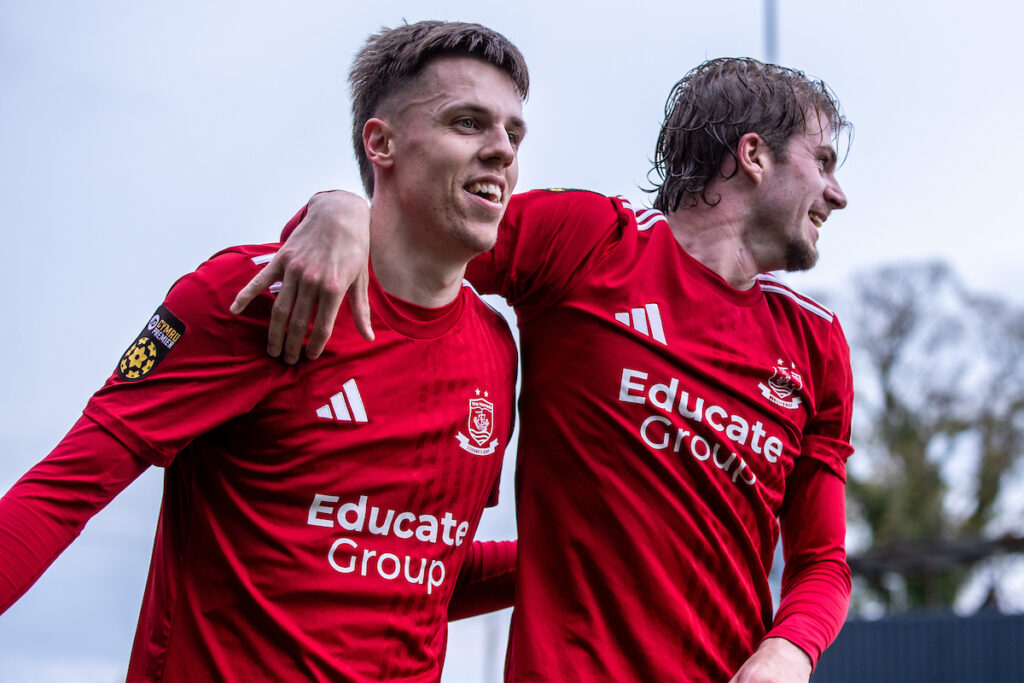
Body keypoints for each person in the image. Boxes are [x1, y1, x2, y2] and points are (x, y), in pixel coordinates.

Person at [243, 56, 855, 682]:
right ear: (754, 155)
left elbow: (823, 562)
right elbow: (420, 236)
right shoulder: (590, 242)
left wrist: (790, 651)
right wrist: (337, 207)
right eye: (824, 162)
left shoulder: (817, 343)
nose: (837, 194)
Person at [0, 20, 529, 682]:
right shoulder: (250, 298)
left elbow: (420, 569)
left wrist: (618, 552)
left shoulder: (493, 347)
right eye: (468, 123)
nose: (502, 151)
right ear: (382, 142)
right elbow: (62, 492)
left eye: (513, 132)